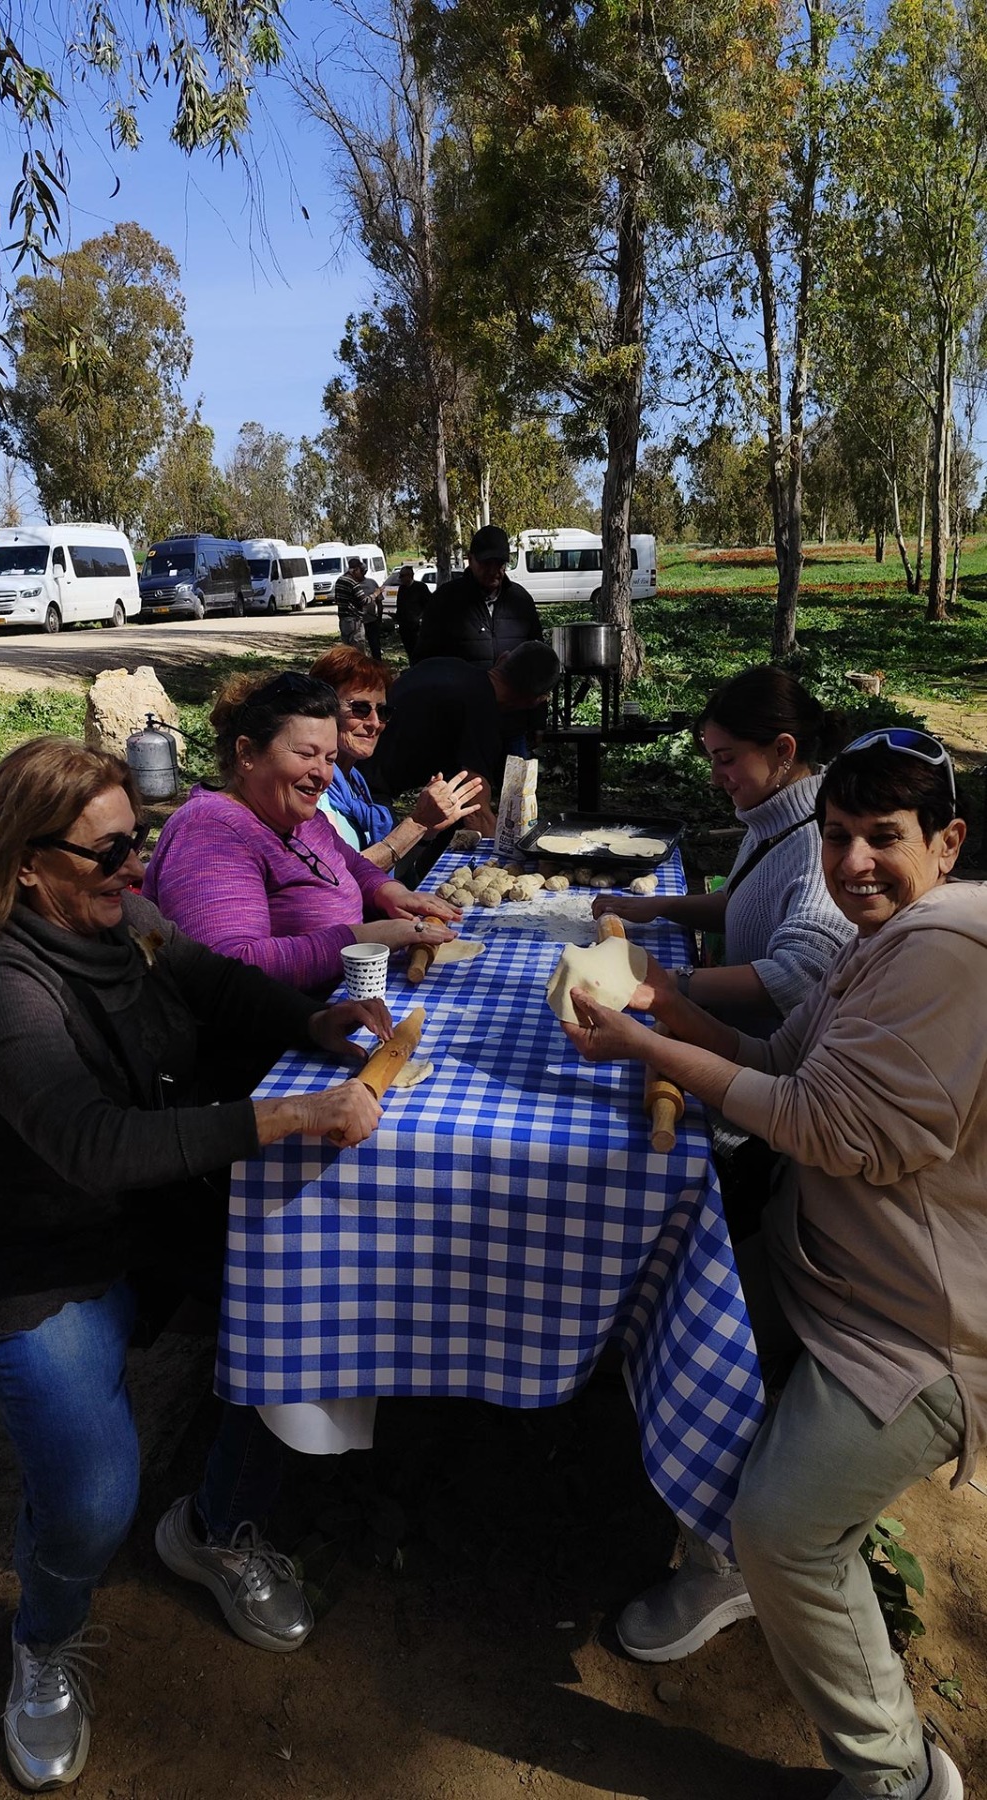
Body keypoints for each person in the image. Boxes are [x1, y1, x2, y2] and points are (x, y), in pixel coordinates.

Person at [563, 728, 981, 1800]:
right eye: (836, 836)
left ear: (946, 843)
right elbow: (772, 1059)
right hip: (823, 1267)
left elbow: (830, 1127)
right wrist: (661, 995)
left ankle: (893, 1774)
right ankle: (715, 1571)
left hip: (916, 1332)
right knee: (669, 1313)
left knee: (786, 1529)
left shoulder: (948, 948)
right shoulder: (880, 938)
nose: (849, 863)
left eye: (881, 837)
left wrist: (646, 1048)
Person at [0, 737, 389, 1792]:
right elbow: (92, 1142)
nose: (136, 870)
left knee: (311, 1311)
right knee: (90, 1497)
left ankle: (212, 1528)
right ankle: (43, 1636)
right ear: (26, 863)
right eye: (110, 853)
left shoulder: (126, 918)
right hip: (33, 1257)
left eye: (140, 841)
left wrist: (314, 1019)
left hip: (153, 1213)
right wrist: (291, 1110)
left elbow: (214, 982)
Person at [142, 672, 459, 991]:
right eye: (306, 755)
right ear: (247, 754)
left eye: (330, 758)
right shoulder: (208, 832)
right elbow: (228, 966)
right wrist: (360, 940)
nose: (323, 774)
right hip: (273, 1036)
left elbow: (351, 865)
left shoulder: (299, 817)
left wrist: (389, 893)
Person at [594, 667, 854, 1034]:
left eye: (727, 758)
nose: (715, 776)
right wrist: (657, 907)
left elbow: (801, 975)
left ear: (783, 750)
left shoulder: (817, 845)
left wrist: (672, 983)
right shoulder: (773, 817)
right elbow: (742, 904)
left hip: (769, 1065)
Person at [309, 645, 484, 870]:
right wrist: (416, 823)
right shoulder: (314, 792)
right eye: (360, 708)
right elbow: (341, 877)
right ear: (323, 708)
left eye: (382, 712)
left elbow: (389, 874)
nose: (374, 723)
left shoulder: (355, 784)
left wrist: (427, 830)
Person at [362, 641, 561, 837]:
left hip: (346, 764)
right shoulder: (482, 714)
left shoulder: (445, 664)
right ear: (536, 701)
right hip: (365, 793)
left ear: (503, 658)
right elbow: (475, 809)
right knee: (383, 864)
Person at [412, 525, 543, 667]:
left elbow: (537, 656)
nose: (493, 570)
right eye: (486, 563)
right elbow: (424, 662)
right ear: (470, 559)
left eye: (499, 563)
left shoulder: (521, 600)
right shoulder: (445, 601)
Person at [334, 556, 383, 657]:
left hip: (344, 620)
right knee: (358, 652)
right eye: (361, 571)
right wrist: (375, 594)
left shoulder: (340, 581)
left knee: (348, 650)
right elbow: (364, 601)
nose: (362, 574)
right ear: (355, 570)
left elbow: (337, 599)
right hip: (355, 621)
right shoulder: (353, 582)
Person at [394, 563, 431, 658]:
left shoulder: (420, 587)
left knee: (419, 651)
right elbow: (400, 605)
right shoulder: (402, 589)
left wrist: (420, 618)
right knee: (409, 650)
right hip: (404, 626)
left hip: (417, 627)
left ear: (409, 576)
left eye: (402, 576)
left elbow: (429, 605)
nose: (400, 578)